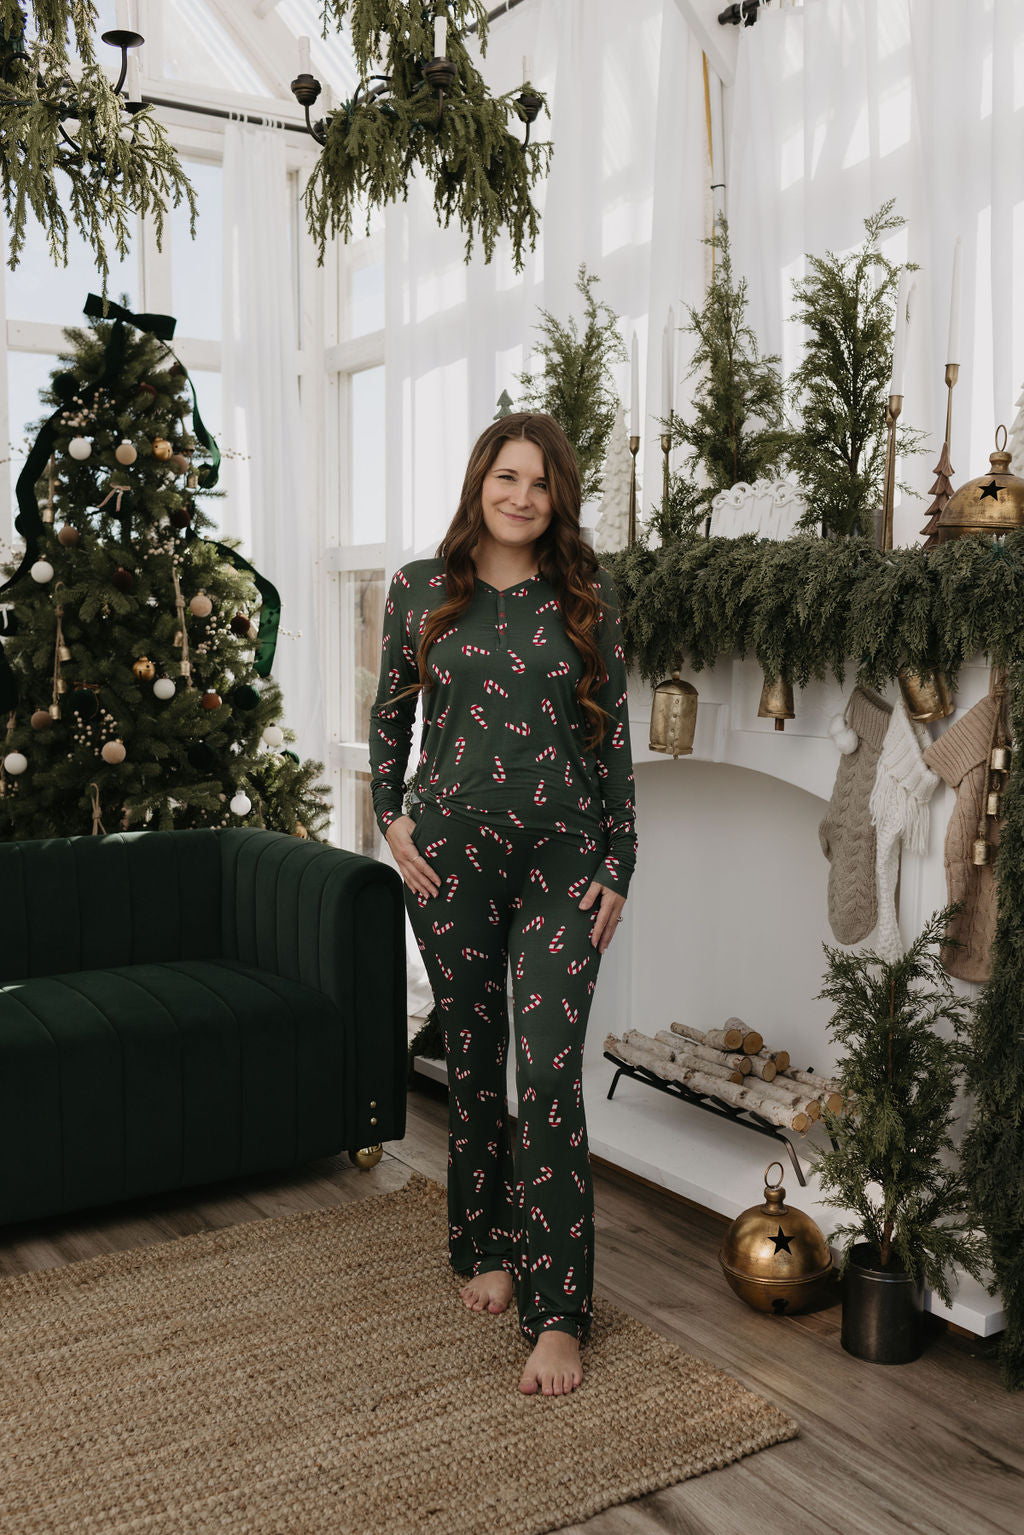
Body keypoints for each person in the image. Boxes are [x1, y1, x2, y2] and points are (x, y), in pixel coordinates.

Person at [368, 411, 637, 1396]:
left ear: (558, 498)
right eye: (507, 476)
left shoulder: (581, 598)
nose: (522, 496)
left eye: (541, 483)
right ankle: (480, 1240)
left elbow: (608, 739)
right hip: (448, 856)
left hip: (563, 860)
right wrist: (389, 818)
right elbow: (390, 710)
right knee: (474, 1056)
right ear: (480, 477)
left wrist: (620, 863)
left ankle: (558, 1309)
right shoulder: (417, 589)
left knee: (550, 1066)